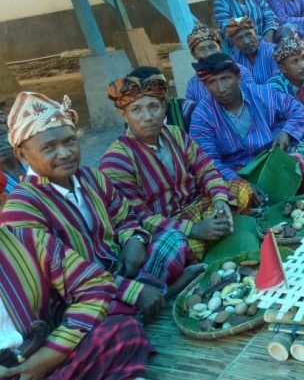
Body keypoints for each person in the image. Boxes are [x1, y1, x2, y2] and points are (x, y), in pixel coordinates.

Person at [1, 92, 190, 321]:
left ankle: (146, 303)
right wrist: (130, 290)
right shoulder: (21, 208)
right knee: (97, 319)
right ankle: (156, 297)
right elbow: (61, 273)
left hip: (122, 269)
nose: (65, 153)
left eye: (70, 141)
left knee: (174, 241)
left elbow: (125, 217)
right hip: (82, 292)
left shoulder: (93, 178)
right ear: (22, 155)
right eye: (49, 148)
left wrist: (134, 240)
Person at [0, 226, 152, 380]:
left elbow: (95, 284)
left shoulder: (27, 240)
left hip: (48, 362)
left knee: (125, 332)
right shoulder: (26, 205)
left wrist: (53, 353)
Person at [100, 70, 249, 264]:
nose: (147, 117)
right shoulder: (116, 160)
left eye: (153, 106)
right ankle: (218, 234)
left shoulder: (176, 134)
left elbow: (206, 169)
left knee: (241, 188)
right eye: (136, 109)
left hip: (200, 207)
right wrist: (194, 229)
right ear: (124, 114)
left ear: (164, 107)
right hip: (167, 227)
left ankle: (218, 229)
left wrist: (220, 202)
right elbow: (137, 217)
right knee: (174, 247)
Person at [189, 52, 304, 185]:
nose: (221, 88)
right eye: (212, 82)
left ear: (238, 77)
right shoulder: (201, 115)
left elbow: (299, 110)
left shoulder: (263, 94)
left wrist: (286, 132)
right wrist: (240, 183)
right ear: (205, 86)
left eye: (225, 79)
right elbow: (209, 161)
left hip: (271, 158)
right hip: (234, 172)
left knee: (299, 162)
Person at [185, 21, 257, 103]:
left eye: (212, 47)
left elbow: (252, 99)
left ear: (220, 48)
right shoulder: (192, 84)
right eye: (202, 50)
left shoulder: (240, 71)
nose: (209, 53)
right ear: (194, 55)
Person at [223, 17, 280, 84]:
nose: (246, 41)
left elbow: (278, 80)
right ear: (233, 43)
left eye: (249, 34)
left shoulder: (273, 51)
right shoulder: (235, 60)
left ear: (255, 32)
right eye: (239, 38)